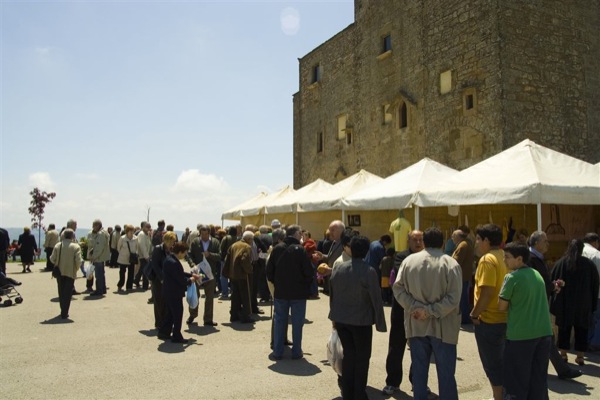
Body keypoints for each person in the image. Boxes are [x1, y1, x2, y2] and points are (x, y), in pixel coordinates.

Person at [394, 227, 461, 400]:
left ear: (424, 241)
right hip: (443, 328)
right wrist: (430, 311)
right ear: (443, 242)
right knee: (446, 375)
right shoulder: (451, 264)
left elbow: (398, 288)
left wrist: (415, 308)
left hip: (416, 325)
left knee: (419, 372)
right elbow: (454, 298)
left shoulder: (409, 262)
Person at [330, 235, 387, 399]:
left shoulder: (339, 268)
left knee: (348, 356)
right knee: (362, 358)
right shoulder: (369, 271)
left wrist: (334, 317)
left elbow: (333, 294)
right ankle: (359, 393)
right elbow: (376, 299)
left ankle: (348, 392)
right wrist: (380, 324)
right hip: (361, 321)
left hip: (341, 319)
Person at [498, 243, 553, 399]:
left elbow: (501, 306)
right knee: (539, 379)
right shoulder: (537, 274)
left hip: (520, 336)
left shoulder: (511, 278)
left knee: (517, 381)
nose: (504, 260)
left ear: (519, 259)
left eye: (507, 257)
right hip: (543, 333)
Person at [528, 231, 582, 380]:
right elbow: (536, 283)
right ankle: (560, 370)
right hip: (535, 305)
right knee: (545, 338)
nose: (548, 244)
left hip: (539, 303)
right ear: (536, 243)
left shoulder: (537, 258)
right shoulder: (531, 259)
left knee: (546, 338)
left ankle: (561, 369)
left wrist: (553, 286)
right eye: (545, 241)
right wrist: (551, 287)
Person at [382, 230, 424, 396]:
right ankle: (392, 382)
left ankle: (418, 382)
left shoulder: (429, 257)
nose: (418, 243)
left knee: (420, 348)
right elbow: (405, 276)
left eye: (421, 239)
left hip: (421, 310)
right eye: (415, 239)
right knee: (396, 346)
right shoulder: (401, 256)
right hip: (401, 308)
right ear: (408, 241)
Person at [470, 224, 507, 400]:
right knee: (503, 361)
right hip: (505, 318)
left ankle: (498, 396)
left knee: (492, 363)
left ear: (486, 240)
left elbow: (487, 291)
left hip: (490, 320)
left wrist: (475, 314)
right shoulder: (504, 256)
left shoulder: (487, 260)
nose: (476, 243)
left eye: (478, 239)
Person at [267, 225, 313, 360]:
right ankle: (296, 351)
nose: (301, 235)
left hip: (281, 292)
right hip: (298, 293)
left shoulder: (277, 249)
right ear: (295, 234)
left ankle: (277, 351)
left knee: (280, 321)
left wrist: (276, 283)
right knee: (297, 323)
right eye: (300, 233)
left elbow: (269, 271)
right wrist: (305, 285)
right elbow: (308, 272)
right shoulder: (301, 250)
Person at [551, 239, 599, 365]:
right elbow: (595, 285)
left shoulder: (561, 263)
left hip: (564, 303)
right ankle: (580, 356)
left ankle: (563, 355)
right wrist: (593, 303)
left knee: (563, 328)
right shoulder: (588, 265)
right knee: (582, 329)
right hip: (583, 304)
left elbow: (552, 281)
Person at [157, 241, 199, 343]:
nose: (185, 255)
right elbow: (181, 280)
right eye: (184, 253)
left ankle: (164, 332)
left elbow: (179, 273)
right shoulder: (174, 262)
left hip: (168, 291)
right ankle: (177, 335)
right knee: (177, 314)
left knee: (170, 314)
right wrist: (191, 280)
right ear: (180, 252)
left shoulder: (170, 259)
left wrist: (190, 275)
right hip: (173, 293)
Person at [187, 225, 221, 327]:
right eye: (202, 234)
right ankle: (192, 314)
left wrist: (209, 254)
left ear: (209, 233)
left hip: (210, 273)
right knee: (194, 294)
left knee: (209, 297)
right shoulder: (195, 242)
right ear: (200, 233)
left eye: (206, 234)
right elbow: (189, 255)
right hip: (197, 272)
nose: (204, 236)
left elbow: (220, 256)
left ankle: (208, 319)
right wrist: (192, 264)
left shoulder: (215, 242)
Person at [222, 231, 255, 324]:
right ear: (248, 239)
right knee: (245, 296)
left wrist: (227, 272)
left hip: (233, 274)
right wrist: (250, 270)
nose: (252, 241)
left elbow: (227, 259)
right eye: (252, 239)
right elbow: (244, 260)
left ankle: (234, 315)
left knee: (235, 296)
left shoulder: (234, 245)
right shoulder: (247, 247)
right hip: (243, 275)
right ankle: (246, 316)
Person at [50, 229, 82, 319]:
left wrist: (57, 263)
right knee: (68, 293)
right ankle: (65, 311)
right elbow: (78, 261)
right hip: (70, 272)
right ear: (72, 236)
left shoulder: (58, 245)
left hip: (59, 272)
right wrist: (76, 268)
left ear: (63, 235)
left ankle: (62, 310)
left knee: (61, 291)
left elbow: (52, 259)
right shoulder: (76, 247)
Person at [149, 232, 176, 329]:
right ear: (165, 240)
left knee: (167, 302)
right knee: (159, 301)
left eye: (173, 242)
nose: (172, 244)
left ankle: (166, 322)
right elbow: (155, 265)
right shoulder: (158, 249)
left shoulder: (171, 250)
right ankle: (159, 323)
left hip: (168, 279)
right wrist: (161, 278)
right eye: (170, 242)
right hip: (158, 280)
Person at [451, 228, 475, 324]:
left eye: (453, 236)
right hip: (465, 275)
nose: (452, 238)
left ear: (458, 237)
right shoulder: (466, 244)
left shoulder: (463, 245)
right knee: (463, 296)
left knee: (462, 298)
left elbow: (456, 261)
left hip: (461, 276)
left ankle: (464, 318)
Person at [315, 220, 345, 294]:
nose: (330, 232)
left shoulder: (345, 244)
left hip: (341, 278)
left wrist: (332, 270)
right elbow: (330, 256)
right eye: (329, 230)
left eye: (333, 230)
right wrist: (323, 256)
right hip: (331, 278)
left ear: (341, 231)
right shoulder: (334, 241)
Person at [582, 233, 600, 351]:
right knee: (597, 318)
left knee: (585, 319)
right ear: (595, 242)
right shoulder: (596, 254)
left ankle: (585, 341)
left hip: (581, 293)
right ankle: (594, 342)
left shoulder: (577, 252)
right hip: (596, 293)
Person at [87, 219, 110, 296]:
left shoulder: (100, 234)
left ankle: (99, 290)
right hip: (102, 257)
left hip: (99, 258)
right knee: (101, 274)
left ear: (97, 226)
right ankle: (102, 289)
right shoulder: (104, 233)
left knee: (99, 275)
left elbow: (99, 248)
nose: (93, 227)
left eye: (94, 226)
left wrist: (94, 257)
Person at [116, 225, 138, 292]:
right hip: (123, 258)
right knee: (122, 273)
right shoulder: (122, 238)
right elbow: (118, 248)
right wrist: (123, 253)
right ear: (127, 231)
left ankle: (129, 287)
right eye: (130, 231)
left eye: (132, 231)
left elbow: (137, 247)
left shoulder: (136, 238)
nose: (131, 232)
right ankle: (120, 285)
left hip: (132, 259)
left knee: (131, 273)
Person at [134, 222, 152, 291]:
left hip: (146, 255)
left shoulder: (147, 234)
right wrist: (146, 257)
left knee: (142, 269)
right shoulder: (141, 234)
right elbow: (142, 246)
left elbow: (149, 245)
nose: (148, 228)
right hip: (143, 256)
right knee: (146, 271)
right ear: (143, 227)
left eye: (149, 227)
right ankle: (145, 285)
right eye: (147, 227)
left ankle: (136, 280)